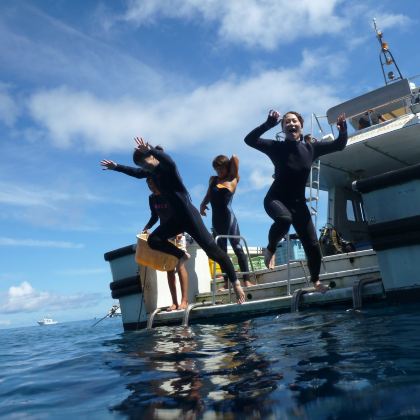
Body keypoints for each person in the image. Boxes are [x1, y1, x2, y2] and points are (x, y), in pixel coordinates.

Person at [100, 137, 245, 304]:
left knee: (213, 251)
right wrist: (116, 167)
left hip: (190, 216)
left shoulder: (167, 167)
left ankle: (235, 284)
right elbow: (135, 173)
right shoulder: (151, 172)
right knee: (154, 240)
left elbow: (168, 159)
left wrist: (150, 150)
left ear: (153, 157)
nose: (145, 168)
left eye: (146, 163)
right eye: (143, 166)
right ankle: (181, 255)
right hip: (176, 218)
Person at [244, 110, 348, 292]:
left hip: (298, 203)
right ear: (283, 128)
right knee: (284, 219)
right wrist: (268, 124)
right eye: (287, 122)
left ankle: (315, 281)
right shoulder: (275, 147)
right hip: (276, 199)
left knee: (313, 245)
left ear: (300, 124)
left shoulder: (311, 148)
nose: (291, 124)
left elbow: (339, 145)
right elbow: (249, 140)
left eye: (294, 121)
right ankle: (270, 248)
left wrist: (343, 130)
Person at [200, 155, 253, 289]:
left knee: (238, 249)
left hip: (229, 220)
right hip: (216, 221)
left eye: (221, 168)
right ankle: (226, 282)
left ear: (227, 167)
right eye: (216, 169)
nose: (219, 172)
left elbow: (235, 158)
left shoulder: (233, 178)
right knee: (220, 252)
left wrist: (229, 166)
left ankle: (246, 280)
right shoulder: (213, 180)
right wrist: (202, 205)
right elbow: (208, 195)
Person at [143, 177, 189, 311]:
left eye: (153, 183)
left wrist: (181, 230)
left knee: (180, 265)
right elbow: (154, 216)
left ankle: (184, 300)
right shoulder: (152, 198)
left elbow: (181, 212)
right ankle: (174, 302)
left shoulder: (168, 194)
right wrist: (146, 227)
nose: (151, 187)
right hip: (164, 235)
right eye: (149, 185)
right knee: (169, 268)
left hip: (178, 232)